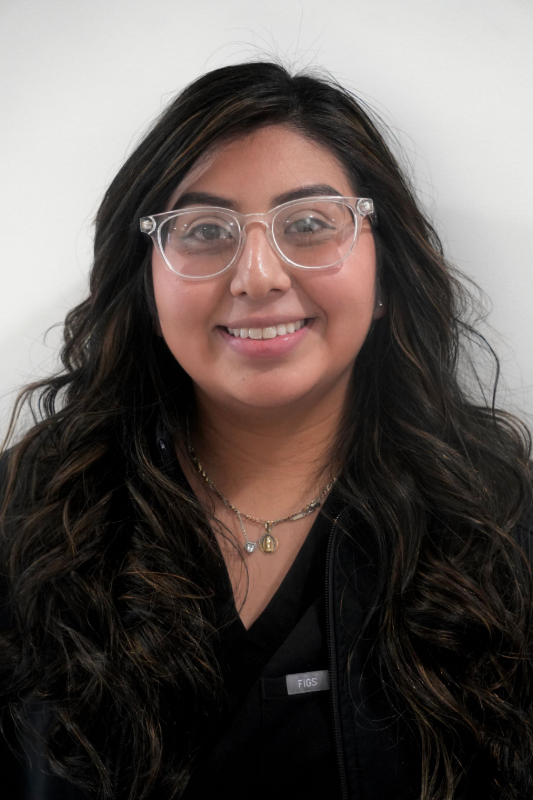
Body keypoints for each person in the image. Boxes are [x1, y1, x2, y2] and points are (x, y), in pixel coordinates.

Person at [1, 61, 532, 800]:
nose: (257, 275)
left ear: (385, 276)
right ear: (145, 282)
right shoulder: (23, 521)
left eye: (309, 224)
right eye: (205, 230)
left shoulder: (505, 524)